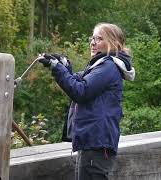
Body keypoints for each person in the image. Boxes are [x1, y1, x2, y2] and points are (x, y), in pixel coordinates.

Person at [38, 22, 135, 180]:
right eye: (92, 38)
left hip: (96, 143)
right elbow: (78, 80)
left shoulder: (108, 67)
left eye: (99, 39)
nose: (92, 42)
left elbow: (80, 91)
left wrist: (58, 68)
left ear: (114, 44)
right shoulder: (101, 65)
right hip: (94, 142)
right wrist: (63, 65)